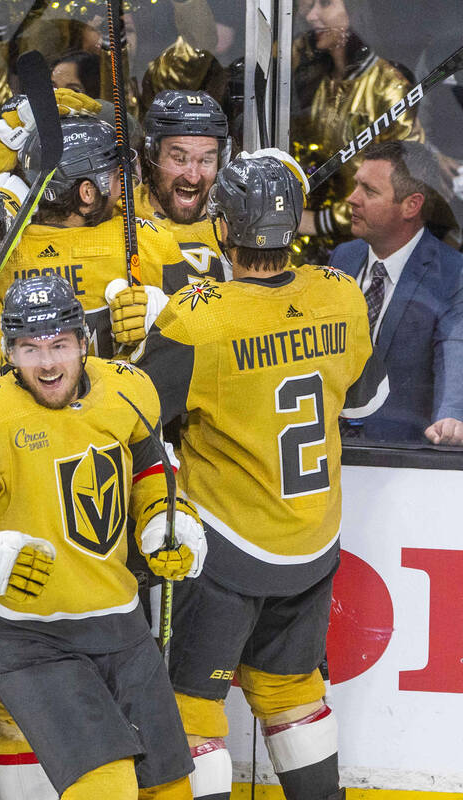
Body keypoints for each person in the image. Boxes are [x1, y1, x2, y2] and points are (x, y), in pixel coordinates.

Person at [135, 151, 388, 800]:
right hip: (312, 541)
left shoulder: (199, 316)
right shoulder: (338, 294)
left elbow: (139, 417)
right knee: (293, 693)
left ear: (223, 228)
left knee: (191, 712)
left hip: (226, 549)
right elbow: (364, 398)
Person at [0, 273, 202, 800]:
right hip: (31, 637)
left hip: (120, 623)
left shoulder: (127, 390)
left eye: (59, 344)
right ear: (10, 354)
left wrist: (164, 521)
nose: (48, 363)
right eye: (30, 349)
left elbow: (150, 467)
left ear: (84, 342)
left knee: (168, 787)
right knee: (106, 787)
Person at [0, 111, 188, 355]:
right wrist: (163, 314)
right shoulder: (145, 240)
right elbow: (190, 340)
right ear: (88, 194)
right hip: (121, 389)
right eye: (115, 178)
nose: (122, 190)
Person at [329, 140, 463, 445]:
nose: (351, 199)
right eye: (355, 185)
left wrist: (451, 415)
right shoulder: (342, 258)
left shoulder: (453, 275)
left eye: (369, 191)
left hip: (399, 462)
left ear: (411, 205)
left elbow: (455, 350)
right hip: (330, 457)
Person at [291, 0, 425, 259]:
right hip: (317, 242)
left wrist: (318, 222)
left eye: (326, 4)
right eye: (310, 6)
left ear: (355, 11)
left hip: (373, 248)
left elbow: (401, 187)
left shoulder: (389, 89)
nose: (312, 16)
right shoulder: (320, 82)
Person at [134, 90, 232, 286]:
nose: (193, 177)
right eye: (179, 159)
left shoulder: (236, 226)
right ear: (150, 154)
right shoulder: (120, 216)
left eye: (206, 160)